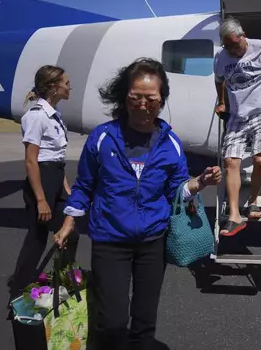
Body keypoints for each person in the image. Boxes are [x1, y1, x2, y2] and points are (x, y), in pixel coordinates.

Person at [53, 57, 222, 350]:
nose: (143, 104)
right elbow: (84, 185)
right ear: (124, 96)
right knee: (113, 321)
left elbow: (177, 190)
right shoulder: (102, 137)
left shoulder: (171, 143)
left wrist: (201, 181)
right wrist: (69, 222)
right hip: (110, 239)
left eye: (151, 98)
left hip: (152, 242)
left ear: (162, 99)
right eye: (136, 97)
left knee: (144, 320)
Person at [213, 16, 261, 237]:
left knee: (259, 158)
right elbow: (219, 80)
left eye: (234, 45)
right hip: (238, 115)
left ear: (243, 36)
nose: (231, 50)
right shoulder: (221, 57)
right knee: (230, 161)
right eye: (227, 46)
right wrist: (221, 101)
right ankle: (235, 217)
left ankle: (254, 200)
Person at [7, 64, 78, 302]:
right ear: (52, 86)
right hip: (42, 181)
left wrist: (67, 190)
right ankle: (18, 290)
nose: (69, 86)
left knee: (70, 233)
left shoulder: (53, 115)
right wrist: (41, 200)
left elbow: (57, 159)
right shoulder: (37, 116)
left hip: (55, 177)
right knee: (37, 237)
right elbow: (31, 161)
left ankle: (63, 279)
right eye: (66, 83)